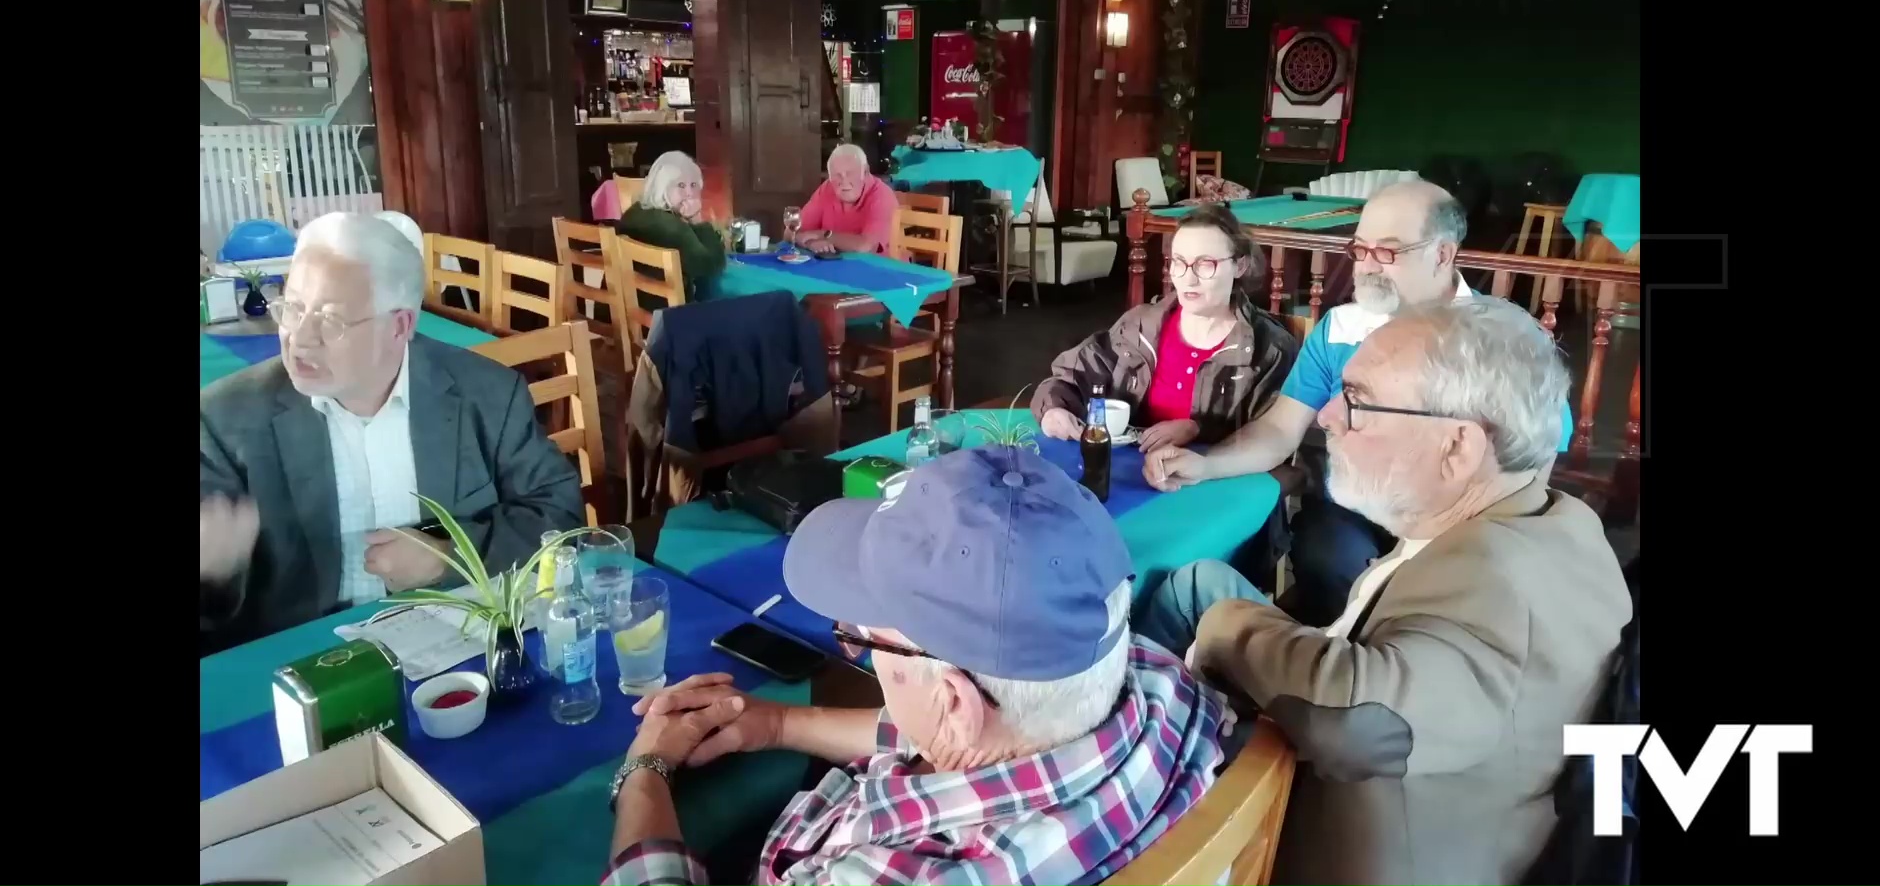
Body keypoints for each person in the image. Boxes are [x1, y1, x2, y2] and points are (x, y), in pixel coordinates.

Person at [1139, 297, 1630, 886]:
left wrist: (1225, 630)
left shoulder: (1495, 579)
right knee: (1198, 583)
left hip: (1326, 835)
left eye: (1358, 400)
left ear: (1458, 447)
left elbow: (1357, 721)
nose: (1326, 417)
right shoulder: (1556, 517)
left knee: (1203, 617)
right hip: (1455, 792)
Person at [597, 445, 1226, 886]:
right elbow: (969, 732)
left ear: (954, 701)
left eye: (862, 638)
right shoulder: (1157, 685)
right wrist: (779, 725)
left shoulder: (879, 873)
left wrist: (644, 774)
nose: (855, 648)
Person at [1144, 180, 1573, 625]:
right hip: (1355, 508)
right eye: (1361, 249)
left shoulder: (1504, 336)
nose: (1367, 267)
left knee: (1438, 592)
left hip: (1458, 521)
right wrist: (1206, 464)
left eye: (1387, 252)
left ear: (1443, 254)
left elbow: (1538, 458)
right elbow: (1279, 428)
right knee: (1327, 558)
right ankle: (1340, 660)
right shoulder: (1341, 328)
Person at [199, 212, 584, 653]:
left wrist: (447, 557)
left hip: (460, 637)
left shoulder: (488, 395)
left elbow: (559, 515)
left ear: (399, 326)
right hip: (308, 658)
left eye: (330, 320)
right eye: (292, 308)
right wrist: (213, 572)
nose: (299, 339)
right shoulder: (226, 421)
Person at [1033, 204, 1296, 452]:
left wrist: (1198, 430)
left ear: (1240, 265)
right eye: (1179, 262)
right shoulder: (1140, 326)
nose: (1188, 279)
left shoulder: (1270, 349)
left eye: (1206, 264)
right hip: (1130, 475)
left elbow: (1276, 438)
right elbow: (1070, 377)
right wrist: (1054, 408)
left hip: (1214, 483)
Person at [616, 151, 726, 300]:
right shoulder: (672, 228)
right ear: (662, 187)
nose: (689, 193)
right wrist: (697, 219)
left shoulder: (635, 212)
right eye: (680, 185)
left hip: (628, 312)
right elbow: (711, 267)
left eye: (693, 185)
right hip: (665, 318)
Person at [788, 143, 899, 256]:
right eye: (837, 175)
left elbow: (865, 247)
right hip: (834, 265)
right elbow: (790, 232)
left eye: (850, 174)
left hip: (877, 269)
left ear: (865, 172)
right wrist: (811, 243)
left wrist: (824, 235)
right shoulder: (827, 188)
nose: (844, 181)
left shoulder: (882, 196)